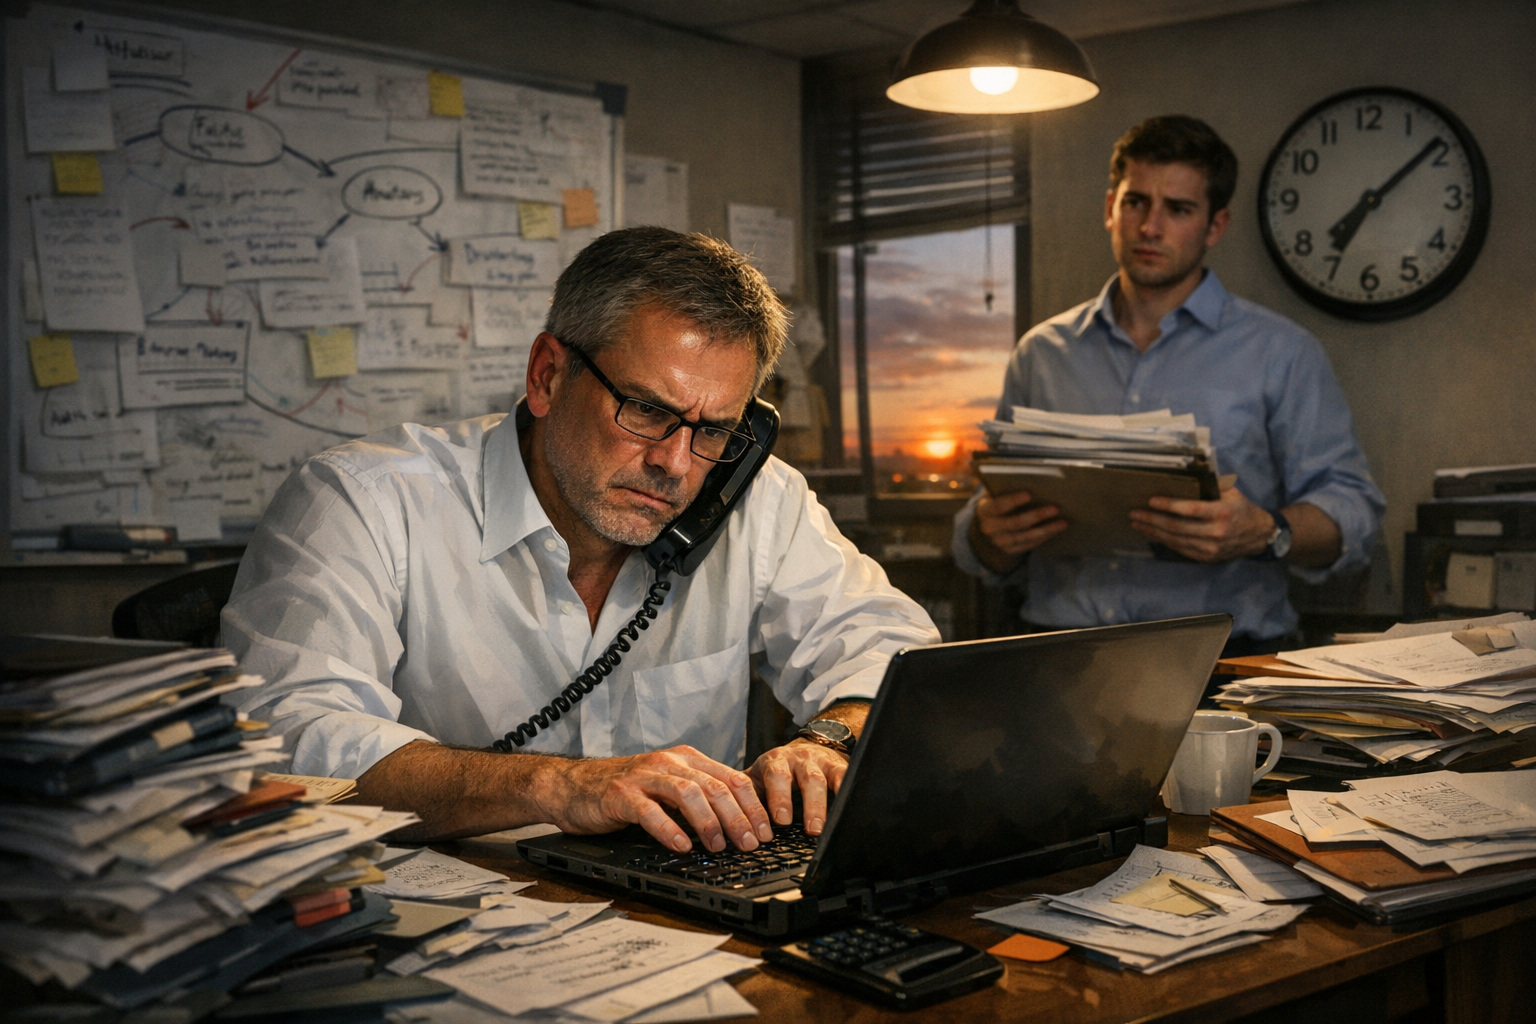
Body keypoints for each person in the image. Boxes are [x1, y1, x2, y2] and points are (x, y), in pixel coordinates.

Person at [224, 227, 939, 855]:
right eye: (646, 410)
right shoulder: (363, 498)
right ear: (547, 376)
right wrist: (555, 787)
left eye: (715, 430)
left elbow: (892, 650)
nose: (676, 463)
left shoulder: (758, 498)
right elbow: (285, 741)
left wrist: (830, 741)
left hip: (683, 920)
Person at [953, 115, 1384, 654]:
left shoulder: (1282, 352)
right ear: (1110, 207)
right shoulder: (1042, 352)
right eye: (1136, 202)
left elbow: (1356, 513)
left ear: (1215, 226)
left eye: (1178, 209)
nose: (1150, 227)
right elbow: (981, 541)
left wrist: (1266, 530)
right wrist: (989, 534)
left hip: (1221, 664)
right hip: (1058, 658)